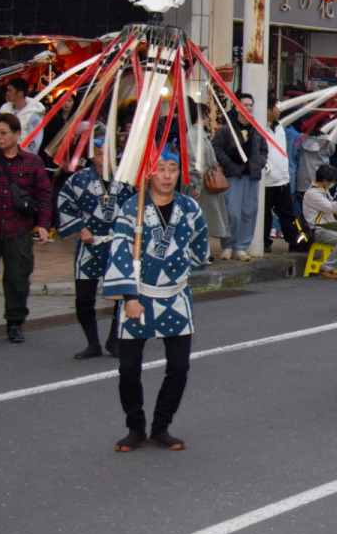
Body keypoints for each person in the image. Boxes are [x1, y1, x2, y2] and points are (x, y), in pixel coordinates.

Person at [103, 151, 209, 452]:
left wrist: (188, 265)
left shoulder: (189, 208)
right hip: (138, 298)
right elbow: (120, 252)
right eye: (160, 169)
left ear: (179, 173)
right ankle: (135, 428)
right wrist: (130, 297)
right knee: (129, 369)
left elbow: (200, 245)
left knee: (178, 367)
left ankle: (161, 426)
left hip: (176, 295)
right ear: (148, 174)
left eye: (172, 169)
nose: (166, 175)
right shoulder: (132, 209)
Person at [56, 137, 134, 358]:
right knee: (83, 297)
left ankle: (114, 339)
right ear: (92, 155)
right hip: (89, 245)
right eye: (99, 154)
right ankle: (92, 343)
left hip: (118, 245)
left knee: (121, 294)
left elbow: (138, 207)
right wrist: (80, 227)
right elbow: (64, 204)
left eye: (107, 153)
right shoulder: (78, 180)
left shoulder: (126, 179)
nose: (103, 159)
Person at [0, 113, 54, 342]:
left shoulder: (33, 162)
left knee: (17, 276)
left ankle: (15, 323)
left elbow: (44, 195)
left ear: (17, 134)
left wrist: (43, 224)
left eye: (4, 133)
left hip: (18, 229)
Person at [212, 93, 267, 260]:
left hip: (251, 176)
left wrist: (259, 162)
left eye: (251, 104)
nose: (248, 107)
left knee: (249, 211)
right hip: (233, 176)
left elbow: (264, 150)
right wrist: (229, 164)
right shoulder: (227, 129)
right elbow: (216, 148)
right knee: (232, 211)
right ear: (237, 106)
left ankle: (241, 247)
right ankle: (227, 246)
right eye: (245, 104)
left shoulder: (256, 130)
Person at [184, 101, 230, 252]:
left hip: (203, 182)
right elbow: (194, 161)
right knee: (200, 219)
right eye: (206, 114)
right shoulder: (194, 134)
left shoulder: (197, 133)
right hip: (200, 183)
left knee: (203, 219)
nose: (208, 117)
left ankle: (202, 251)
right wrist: (197, 183)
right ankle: (199, 251)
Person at [261, 99, 302, 253]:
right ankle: (264, 241)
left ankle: (294, 241)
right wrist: (266, 169)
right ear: (268, 110)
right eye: (277, 108)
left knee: (287, 213)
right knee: (265, 216)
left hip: (282, 179)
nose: (279, 111)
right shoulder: (259, 128)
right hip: (266, 181)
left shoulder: (280, 128)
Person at [303, 164, 337, 280]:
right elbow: (335, 209)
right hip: (318, 230)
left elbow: (336, 210)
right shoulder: (313, 194)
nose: (334, 182)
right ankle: (325, 269)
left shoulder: (323, 191)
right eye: (333, 180)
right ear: (325, 180)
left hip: (327, 226)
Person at [0, 78, 46, 155]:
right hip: (2, 156)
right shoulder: (4, 110)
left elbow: (35, 140)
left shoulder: (33, 114)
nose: (7, 93)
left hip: (23, 158)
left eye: (10, 90)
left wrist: (24, 158)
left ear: (20, 93)